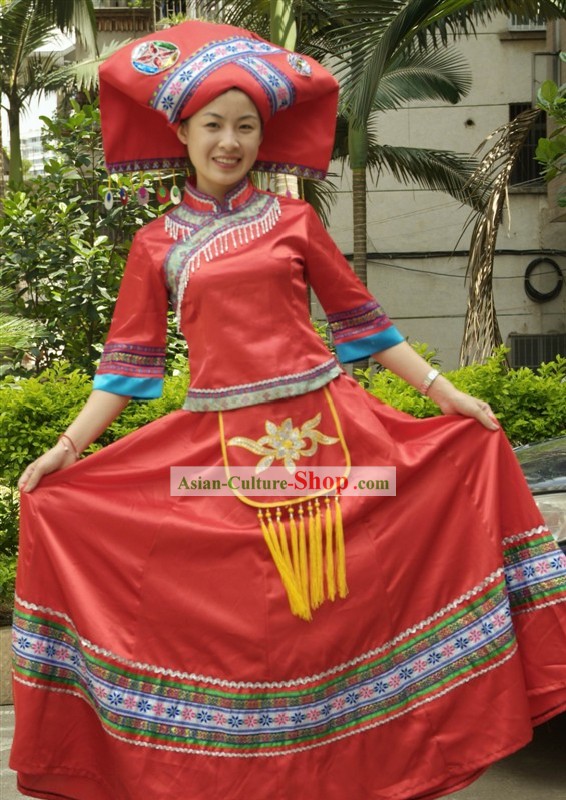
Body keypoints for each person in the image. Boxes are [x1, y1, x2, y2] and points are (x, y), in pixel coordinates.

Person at [10, 19, 566, 800]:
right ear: (182, 132)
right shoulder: (155, 245)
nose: (230, 141)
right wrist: (67, 448)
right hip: (218, 452)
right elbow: (127, 367)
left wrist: (446, 395)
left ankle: (364, 768)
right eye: (214, 126)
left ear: (261, 137)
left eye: (245, 127)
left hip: (336, 429)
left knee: (344, 616)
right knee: (246, 629)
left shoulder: (294, 222)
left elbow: (365, 328)